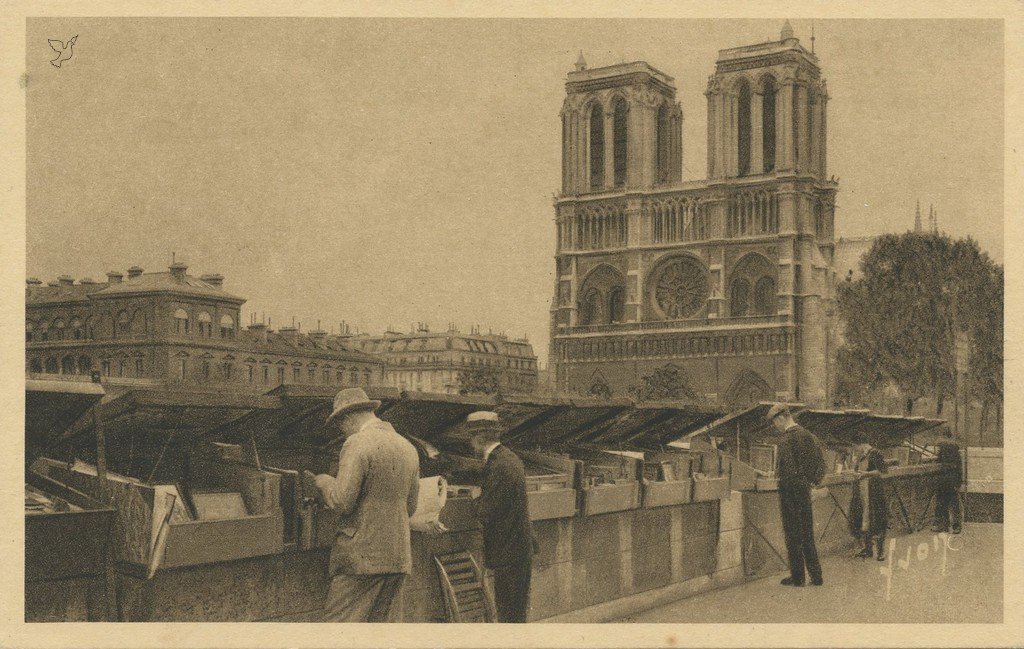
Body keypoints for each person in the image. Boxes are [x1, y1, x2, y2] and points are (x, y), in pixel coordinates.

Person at [310, 388, 420, 622]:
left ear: (348, 418)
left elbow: (341, 501)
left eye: (340, 425)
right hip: (398, 557)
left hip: (361, 559)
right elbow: (410, 508)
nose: (342, 431)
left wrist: (324, 482)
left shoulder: (357, 443)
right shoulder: (407, 447)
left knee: (338, 629)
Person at [463, 411, 537, 622]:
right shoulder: (509, 458)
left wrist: (475, 498)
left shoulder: (498, 465)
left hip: (509, 551)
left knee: (509, 613)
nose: (471, 446)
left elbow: (487, 512)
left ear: (478, 439)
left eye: (471, 440)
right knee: (514, 611)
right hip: (517, 548)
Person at [767, 403, 826, 587]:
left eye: (774, 422)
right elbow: (821, 465)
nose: (775, 426)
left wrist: (780, 479)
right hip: (804, 490)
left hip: (790, 491)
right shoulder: (809, 436)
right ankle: (816, 577)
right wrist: (811, 483)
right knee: (807, 534)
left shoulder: (786, 439)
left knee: (792, 534)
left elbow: (787, 469)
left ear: (781, 417)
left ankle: (798, 577)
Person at [847, 440, 889, 561]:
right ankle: (868, 550)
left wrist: (865, 474)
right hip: (862, 492)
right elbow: (857, 471)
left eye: (856, 447)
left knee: (877, 521)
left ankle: (881, 552)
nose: (855, 450)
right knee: (864, 521)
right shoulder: (861, 456)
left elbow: (882, 471)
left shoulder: (876, 453)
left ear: (862, 444)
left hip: (874, 493)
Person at [932, 428, 963, 534]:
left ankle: (944, 525)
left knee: (943, 502)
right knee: (953, 503)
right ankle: (955, 526)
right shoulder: (955, 449)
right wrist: (959, 482)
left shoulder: (942, 447)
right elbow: (959, 468)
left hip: (945, 479)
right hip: (951, 479)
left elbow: (938, 464)